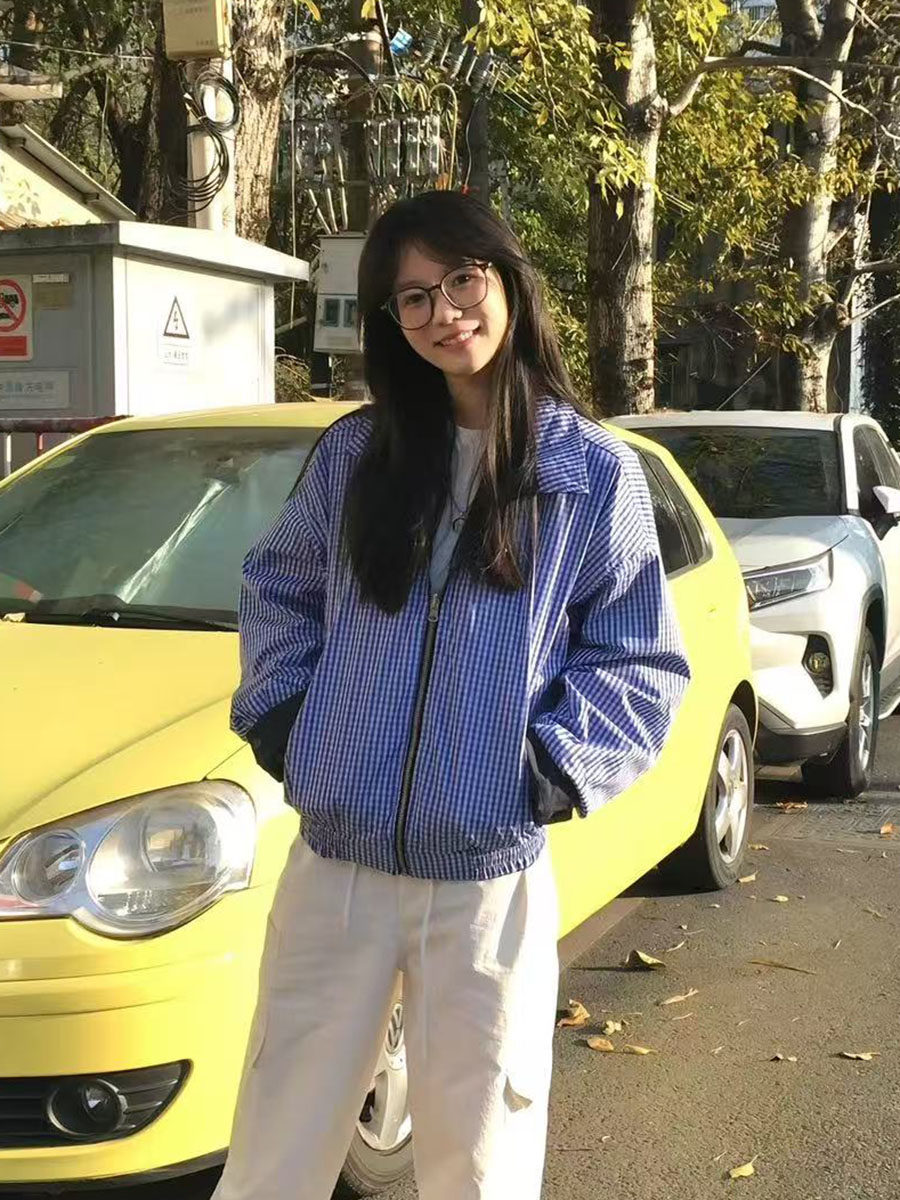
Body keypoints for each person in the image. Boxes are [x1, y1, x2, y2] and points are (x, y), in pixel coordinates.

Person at [213, 190, 691, 1200]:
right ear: (392, 321)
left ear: (506, 279)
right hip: (336, 870)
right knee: (275, 1146)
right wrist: (294, 727)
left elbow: (639, 659)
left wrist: (544, 770)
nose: (444, 313)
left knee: (482, 1157)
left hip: (485, 879)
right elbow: (277, 589)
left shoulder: (591, 474)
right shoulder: (357, 456)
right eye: (414, 297)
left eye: (461, 280)